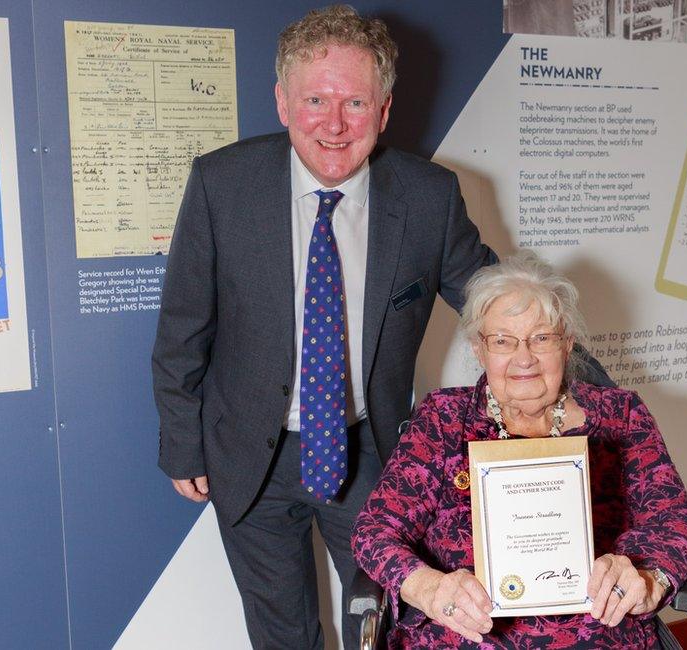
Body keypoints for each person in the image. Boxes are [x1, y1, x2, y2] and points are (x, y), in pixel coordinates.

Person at [151, 6, 506, 649]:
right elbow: (183, 327)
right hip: (247, 454)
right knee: (282, 633)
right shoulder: (221, 185)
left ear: (386, 109)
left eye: (356, 103)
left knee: (385, 623)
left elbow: (501, 305)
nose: (334, 125)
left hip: (368, 450)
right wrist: (182, 441)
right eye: (315, 99)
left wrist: (586, 394)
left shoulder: (429, 198)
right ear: (283, 103)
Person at [353, 252, 687, 648]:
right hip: (465, 636)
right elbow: (374, 531)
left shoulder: (620, 416)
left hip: (599, 635)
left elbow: (676, 521)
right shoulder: (443, 420)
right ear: (478, 349)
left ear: (567, 344)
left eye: (542, 338)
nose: (524, 358)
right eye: (503, 340)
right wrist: (429, 587)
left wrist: (648, 578)